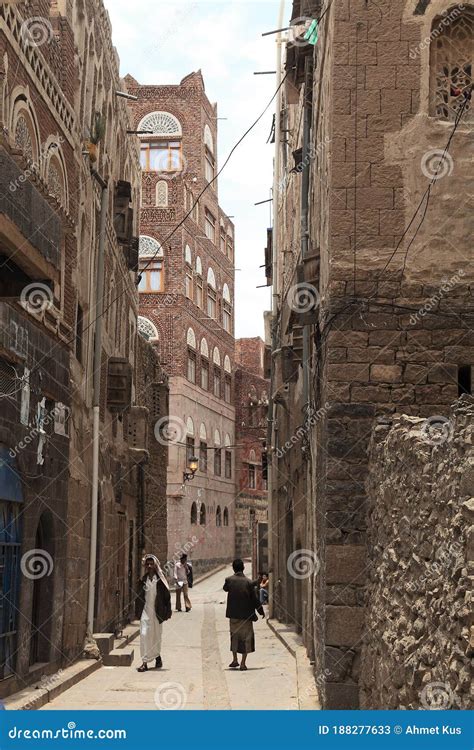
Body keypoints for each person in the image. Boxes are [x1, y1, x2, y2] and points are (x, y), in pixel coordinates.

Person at [223, 558, 265, 671]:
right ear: (243, 568)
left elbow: (225, 588)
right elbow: (255, 600)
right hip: (246, 616)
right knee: (246, 638)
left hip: (233, 615)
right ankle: (242, 663)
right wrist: (261, 611)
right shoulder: (248, 582)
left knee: (234, 636)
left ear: (233, 568)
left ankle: (235, 659)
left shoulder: (229, 580)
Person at [135, 554, 171, 672]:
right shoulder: (143, 580)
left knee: (156, 636)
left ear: (155, 566)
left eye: (152, 564)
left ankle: (157, 656)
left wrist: (167, 612)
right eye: (148, 564)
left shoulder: (160, 581)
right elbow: (138, 597)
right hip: (145, 612)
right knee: (144, 635)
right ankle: (144, 662)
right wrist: (138, 612)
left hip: (157, 613)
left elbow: (167, 597)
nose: (149, 566)